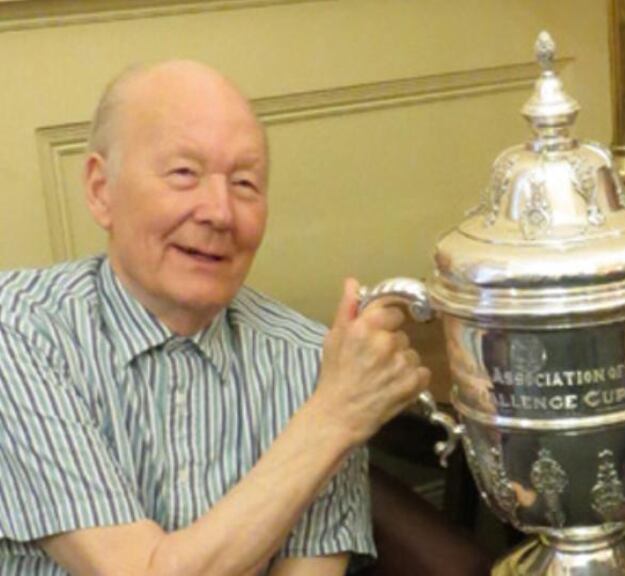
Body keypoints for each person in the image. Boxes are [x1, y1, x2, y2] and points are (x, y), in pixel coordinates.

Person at [0, 60, 429, 574]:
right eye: (184, 174)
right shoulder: (22, 330)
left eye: (245, 184)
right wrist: (332, 419)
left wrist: (334, 407)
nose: (220, 213)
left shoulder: (315, 364)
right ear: (100, 189)